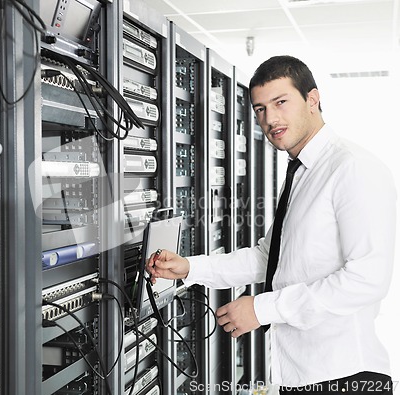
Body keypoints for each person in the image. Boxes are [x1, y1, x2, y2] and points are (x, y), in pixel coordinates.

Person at [146, 55, 396, 394]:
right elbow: (270, 258)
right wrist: (190, 267)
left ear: (313, 99)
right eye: (260, 109)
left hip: (345, 376)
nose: (270, 118)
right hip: (303, 375)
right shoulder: (301, 172)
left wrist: (262, 309)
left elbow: (367, 280)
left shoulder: (350, 168)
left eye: (281, 102)